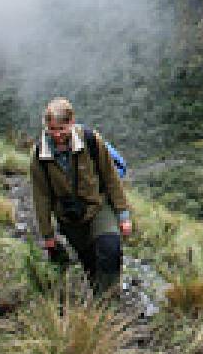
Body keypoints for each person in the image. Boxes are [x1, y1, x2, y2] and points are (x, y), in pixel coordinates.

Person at [29, 97, 132, 295]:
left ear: (72, 122)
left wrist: (123, 215)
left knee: (110, 248)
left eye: (62, 128)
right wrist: (47, 235)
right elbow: (41, 197)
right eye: (52, 129)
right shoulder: (39, 155)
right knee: (90, 263)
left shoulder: (91, 140)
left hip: (98, 206)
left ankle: (107, 302)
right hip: (70, 218)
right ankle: (100, 294)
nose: (57, 135)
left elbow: (111, 177)